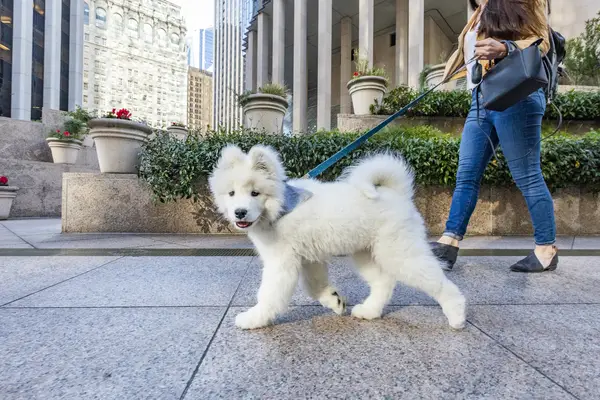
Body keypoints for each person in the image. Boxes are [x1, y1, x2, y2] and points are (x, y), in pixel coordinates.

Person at [431, 0, 558, 273]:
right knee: (467, 172)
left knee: (527, 175)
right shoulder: (479, 11)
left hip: (517, 94)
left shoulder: (528, 1)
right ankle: (449, 241)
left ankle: (546, 250)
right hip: (482, 96)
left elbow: (543, 43)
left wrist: (506, 48)